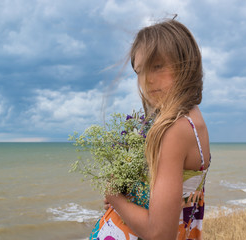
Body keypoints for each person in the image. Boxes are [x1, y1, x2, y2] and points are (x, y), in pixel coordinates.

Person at [90, 18, 211, 240]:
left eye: (157, 66)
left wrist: (115, 198)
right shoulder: (190, 120)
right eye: (140, 71)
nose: (147, 80)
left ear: (186, 63)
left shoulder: (175, 129)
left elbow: (160, 234)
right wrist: (128, 192)